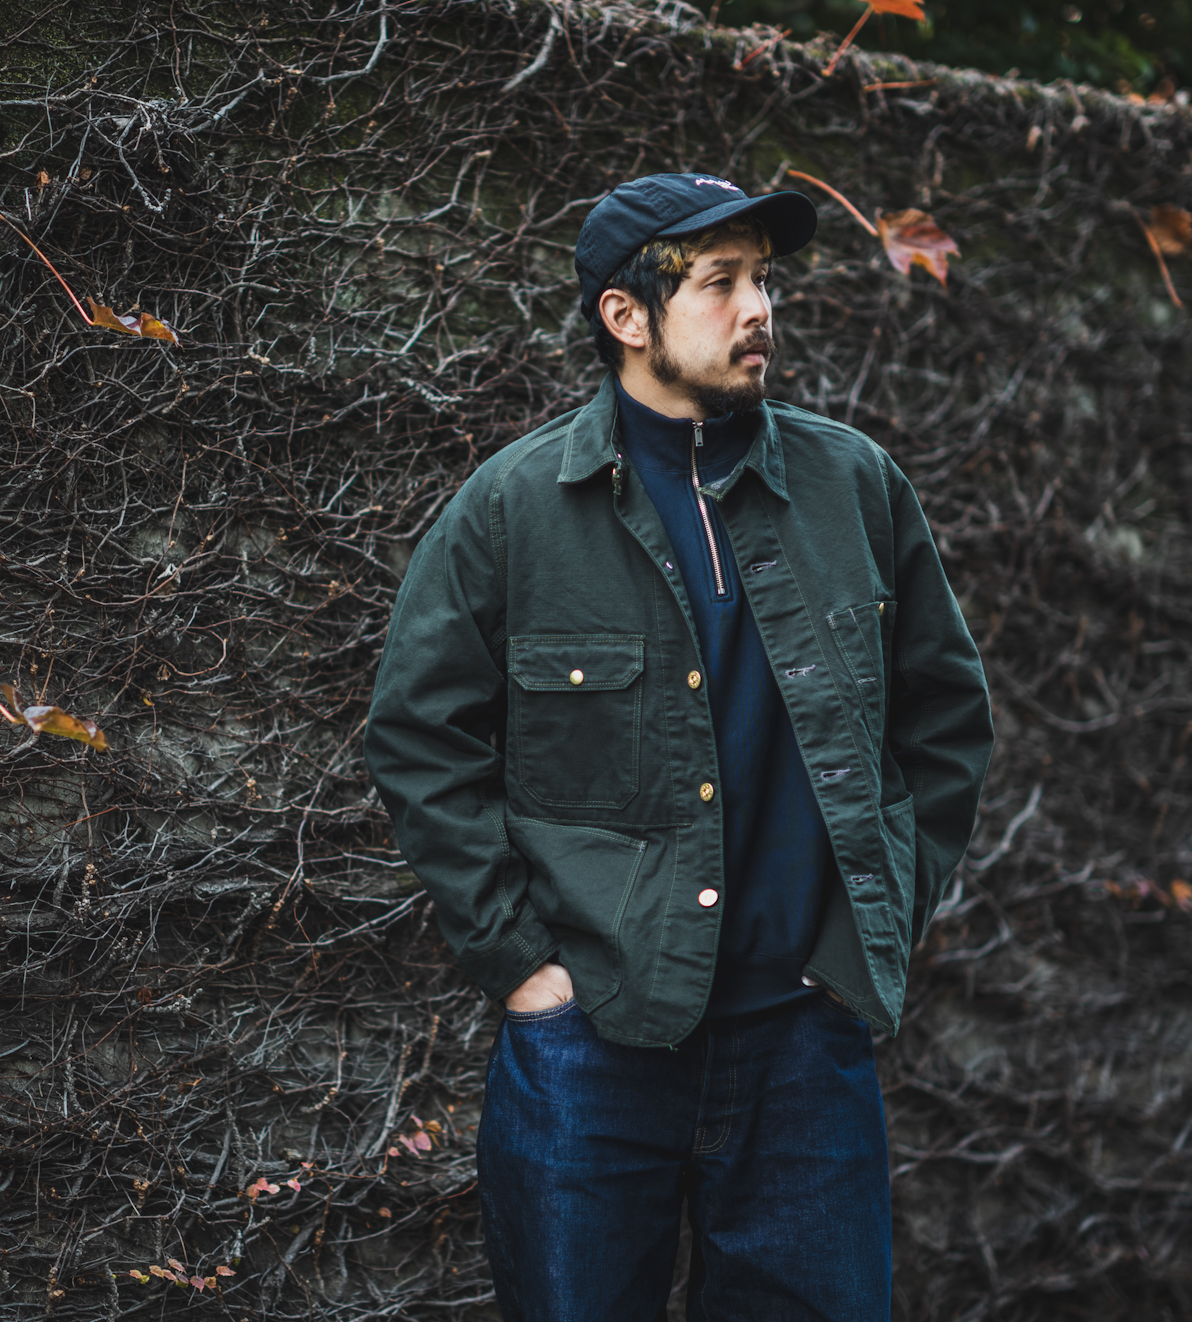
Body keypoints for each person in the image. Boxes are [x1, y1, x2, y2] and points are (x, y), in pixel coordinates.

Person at [363, 172, 994, 1320]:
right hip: (591, 1047)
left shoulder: (852, 487)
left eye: (762, 280)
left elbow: (944, 718)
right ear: (625, 315)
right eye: (719, 282)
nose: (759, 309)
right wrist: (522, 964)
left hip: (802, 1043)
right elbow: (417, 736)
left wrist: (874, 921)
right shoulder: (513, 508)